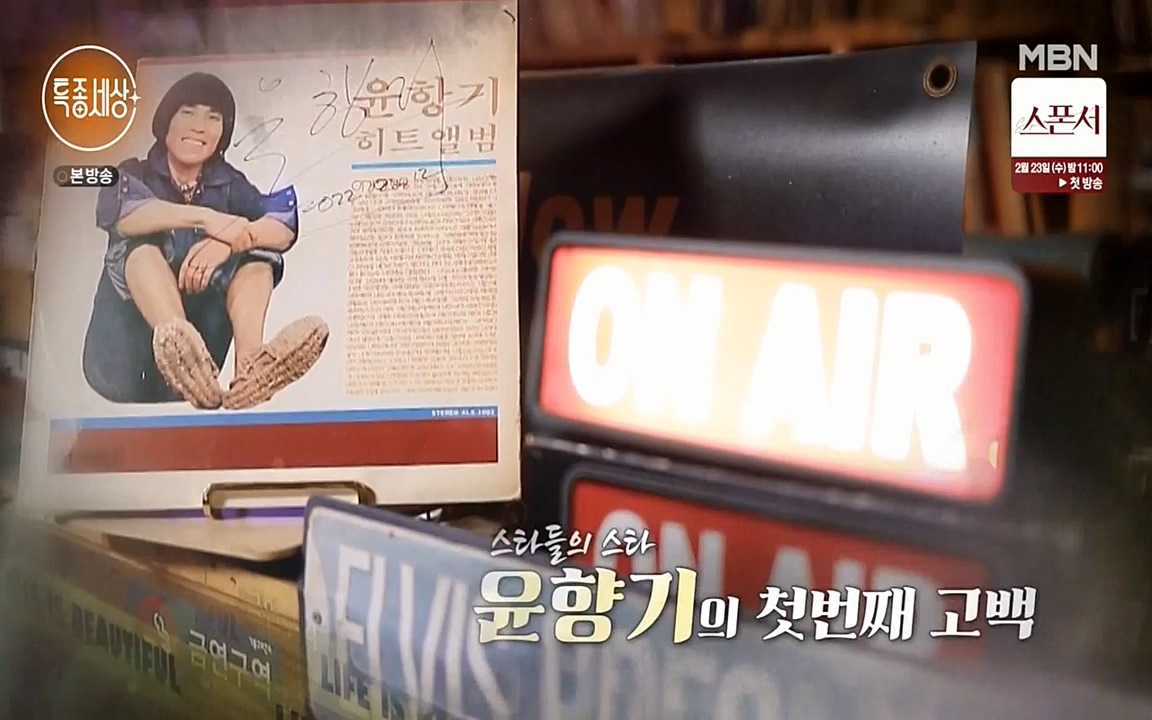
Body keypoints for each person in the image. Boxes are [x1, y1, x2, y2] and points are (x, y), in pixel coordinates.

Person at [82, 72, 327, 410]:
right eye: (187, 112)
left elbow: (282, 221)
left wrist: (231, 242)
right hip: (121, 361)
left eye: (213, 118)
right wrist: (208, 220)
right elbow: (124, 212)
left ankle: (252, 368)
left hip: (203, 375)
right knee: (139, 251)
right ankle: (179, 345)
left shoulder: (229, 183)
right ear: (166, 120)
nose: (200, 127)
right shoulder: (134, 173)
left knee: (258, 255)